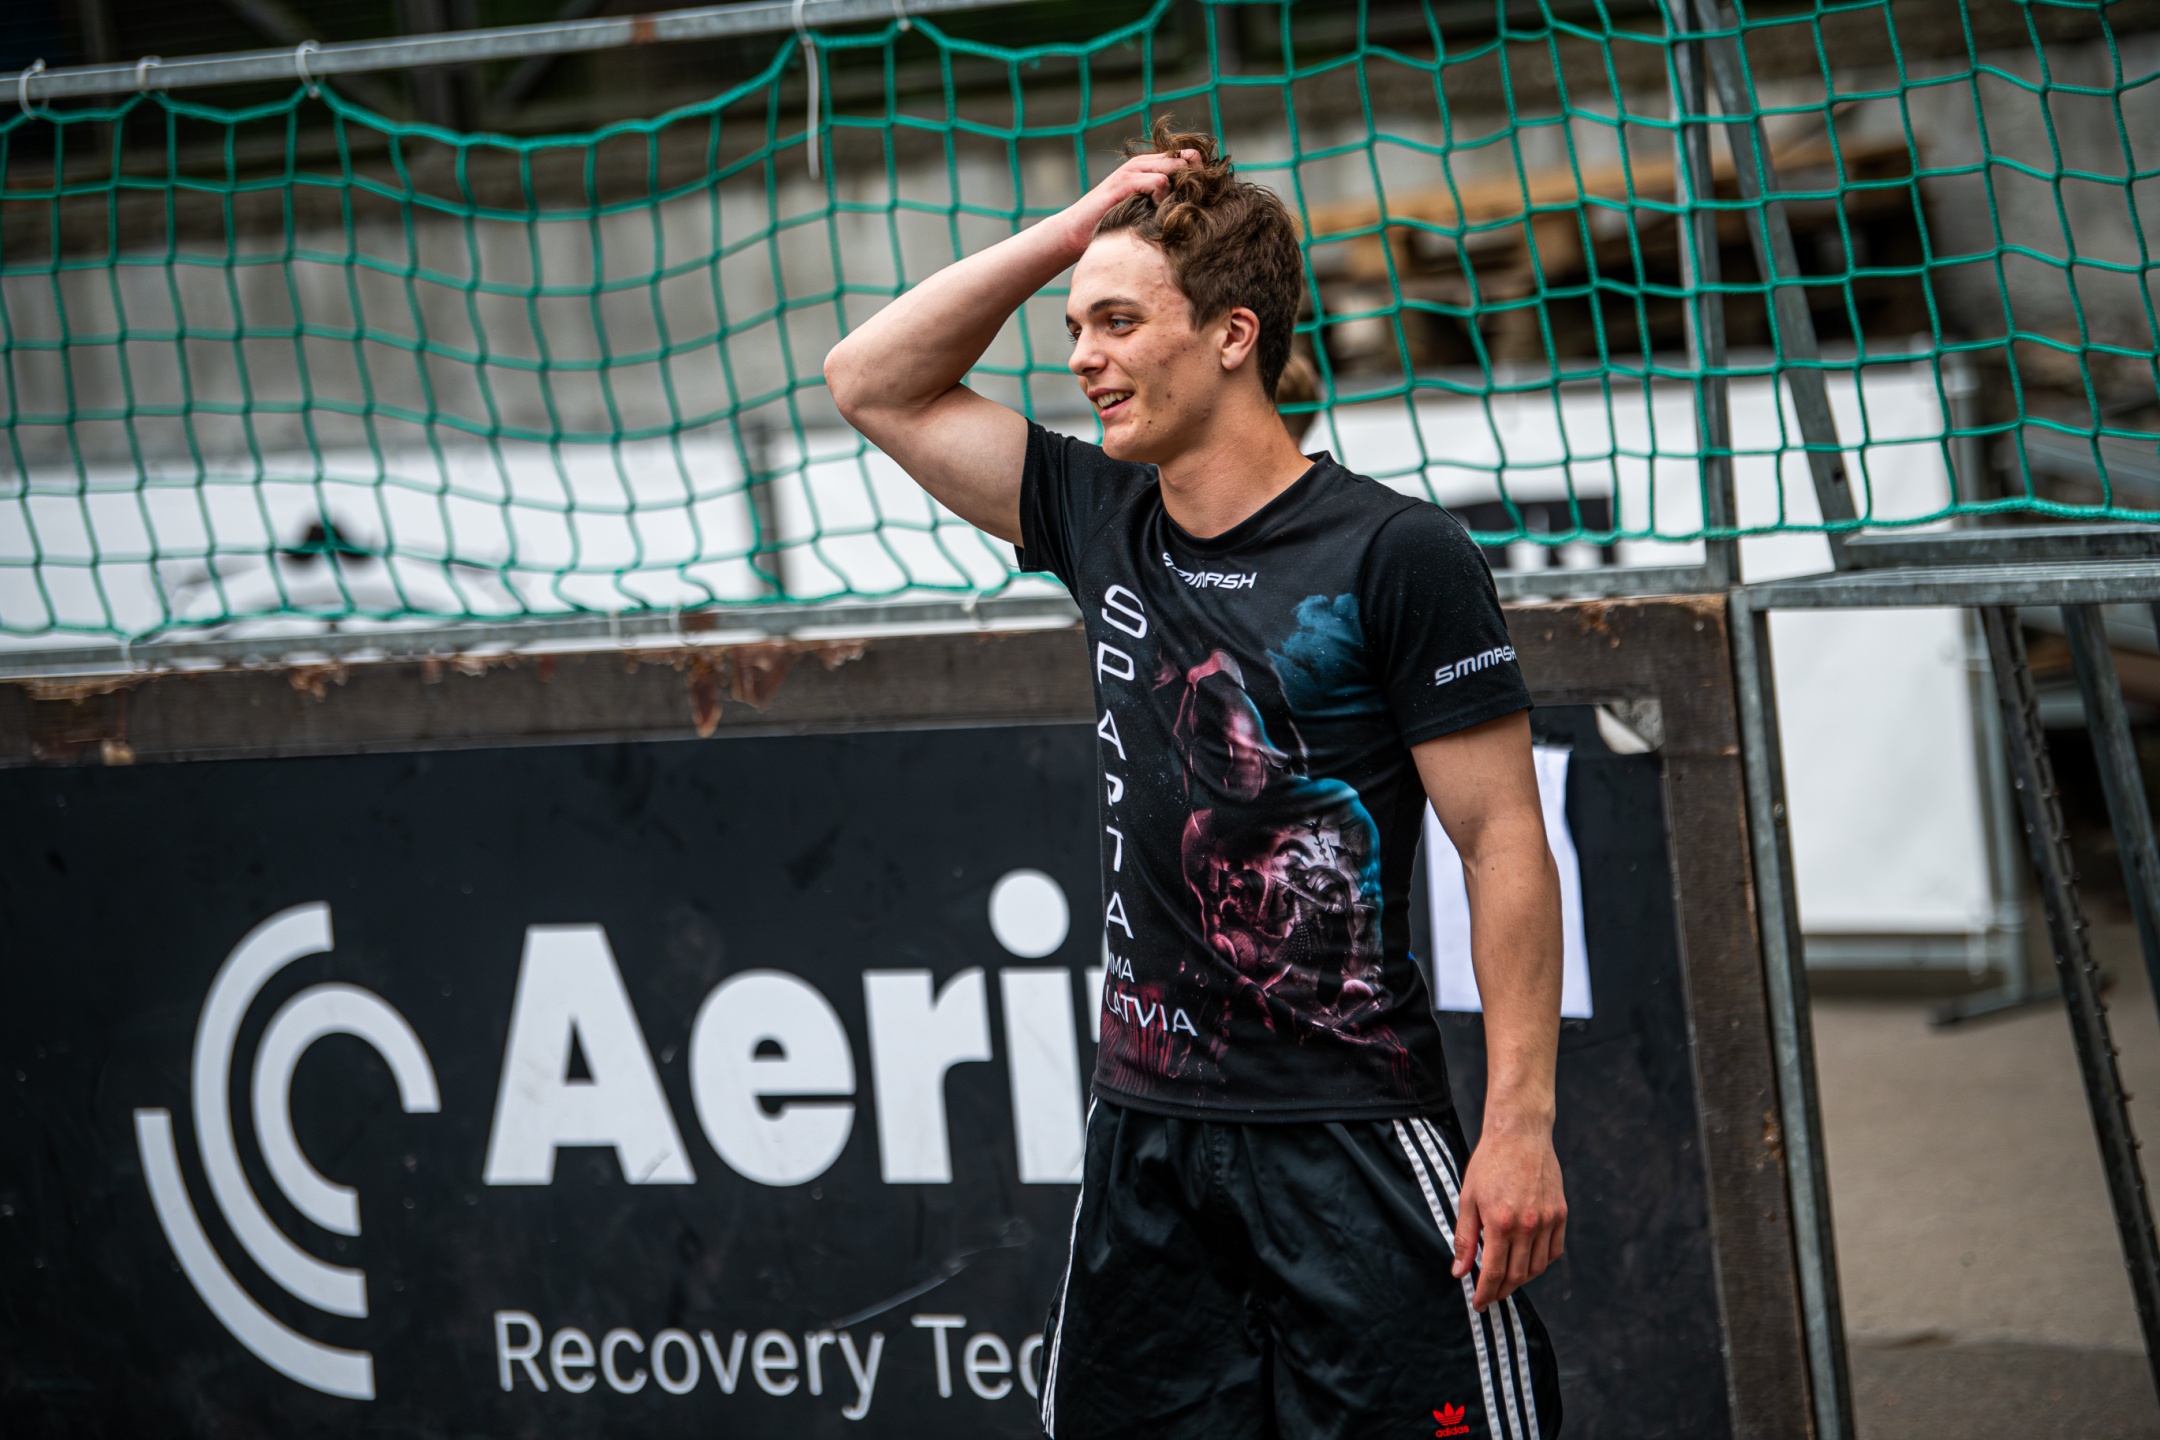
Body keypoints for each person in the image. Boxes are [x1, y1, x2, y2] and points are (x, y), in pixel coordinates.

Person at [824, 121, 1566, 1440]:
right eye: (1073, 327)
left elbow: (1503, 839)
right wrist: (1076, 231)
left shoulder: (1396, 553)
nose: (1081, 357)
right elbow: (870, 380)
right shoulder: (1099, 513)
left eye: (1116, 322)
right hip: (1146, 1130)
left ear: (1233, 335)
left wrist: (1518, 1125)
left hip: (1348, 1128)